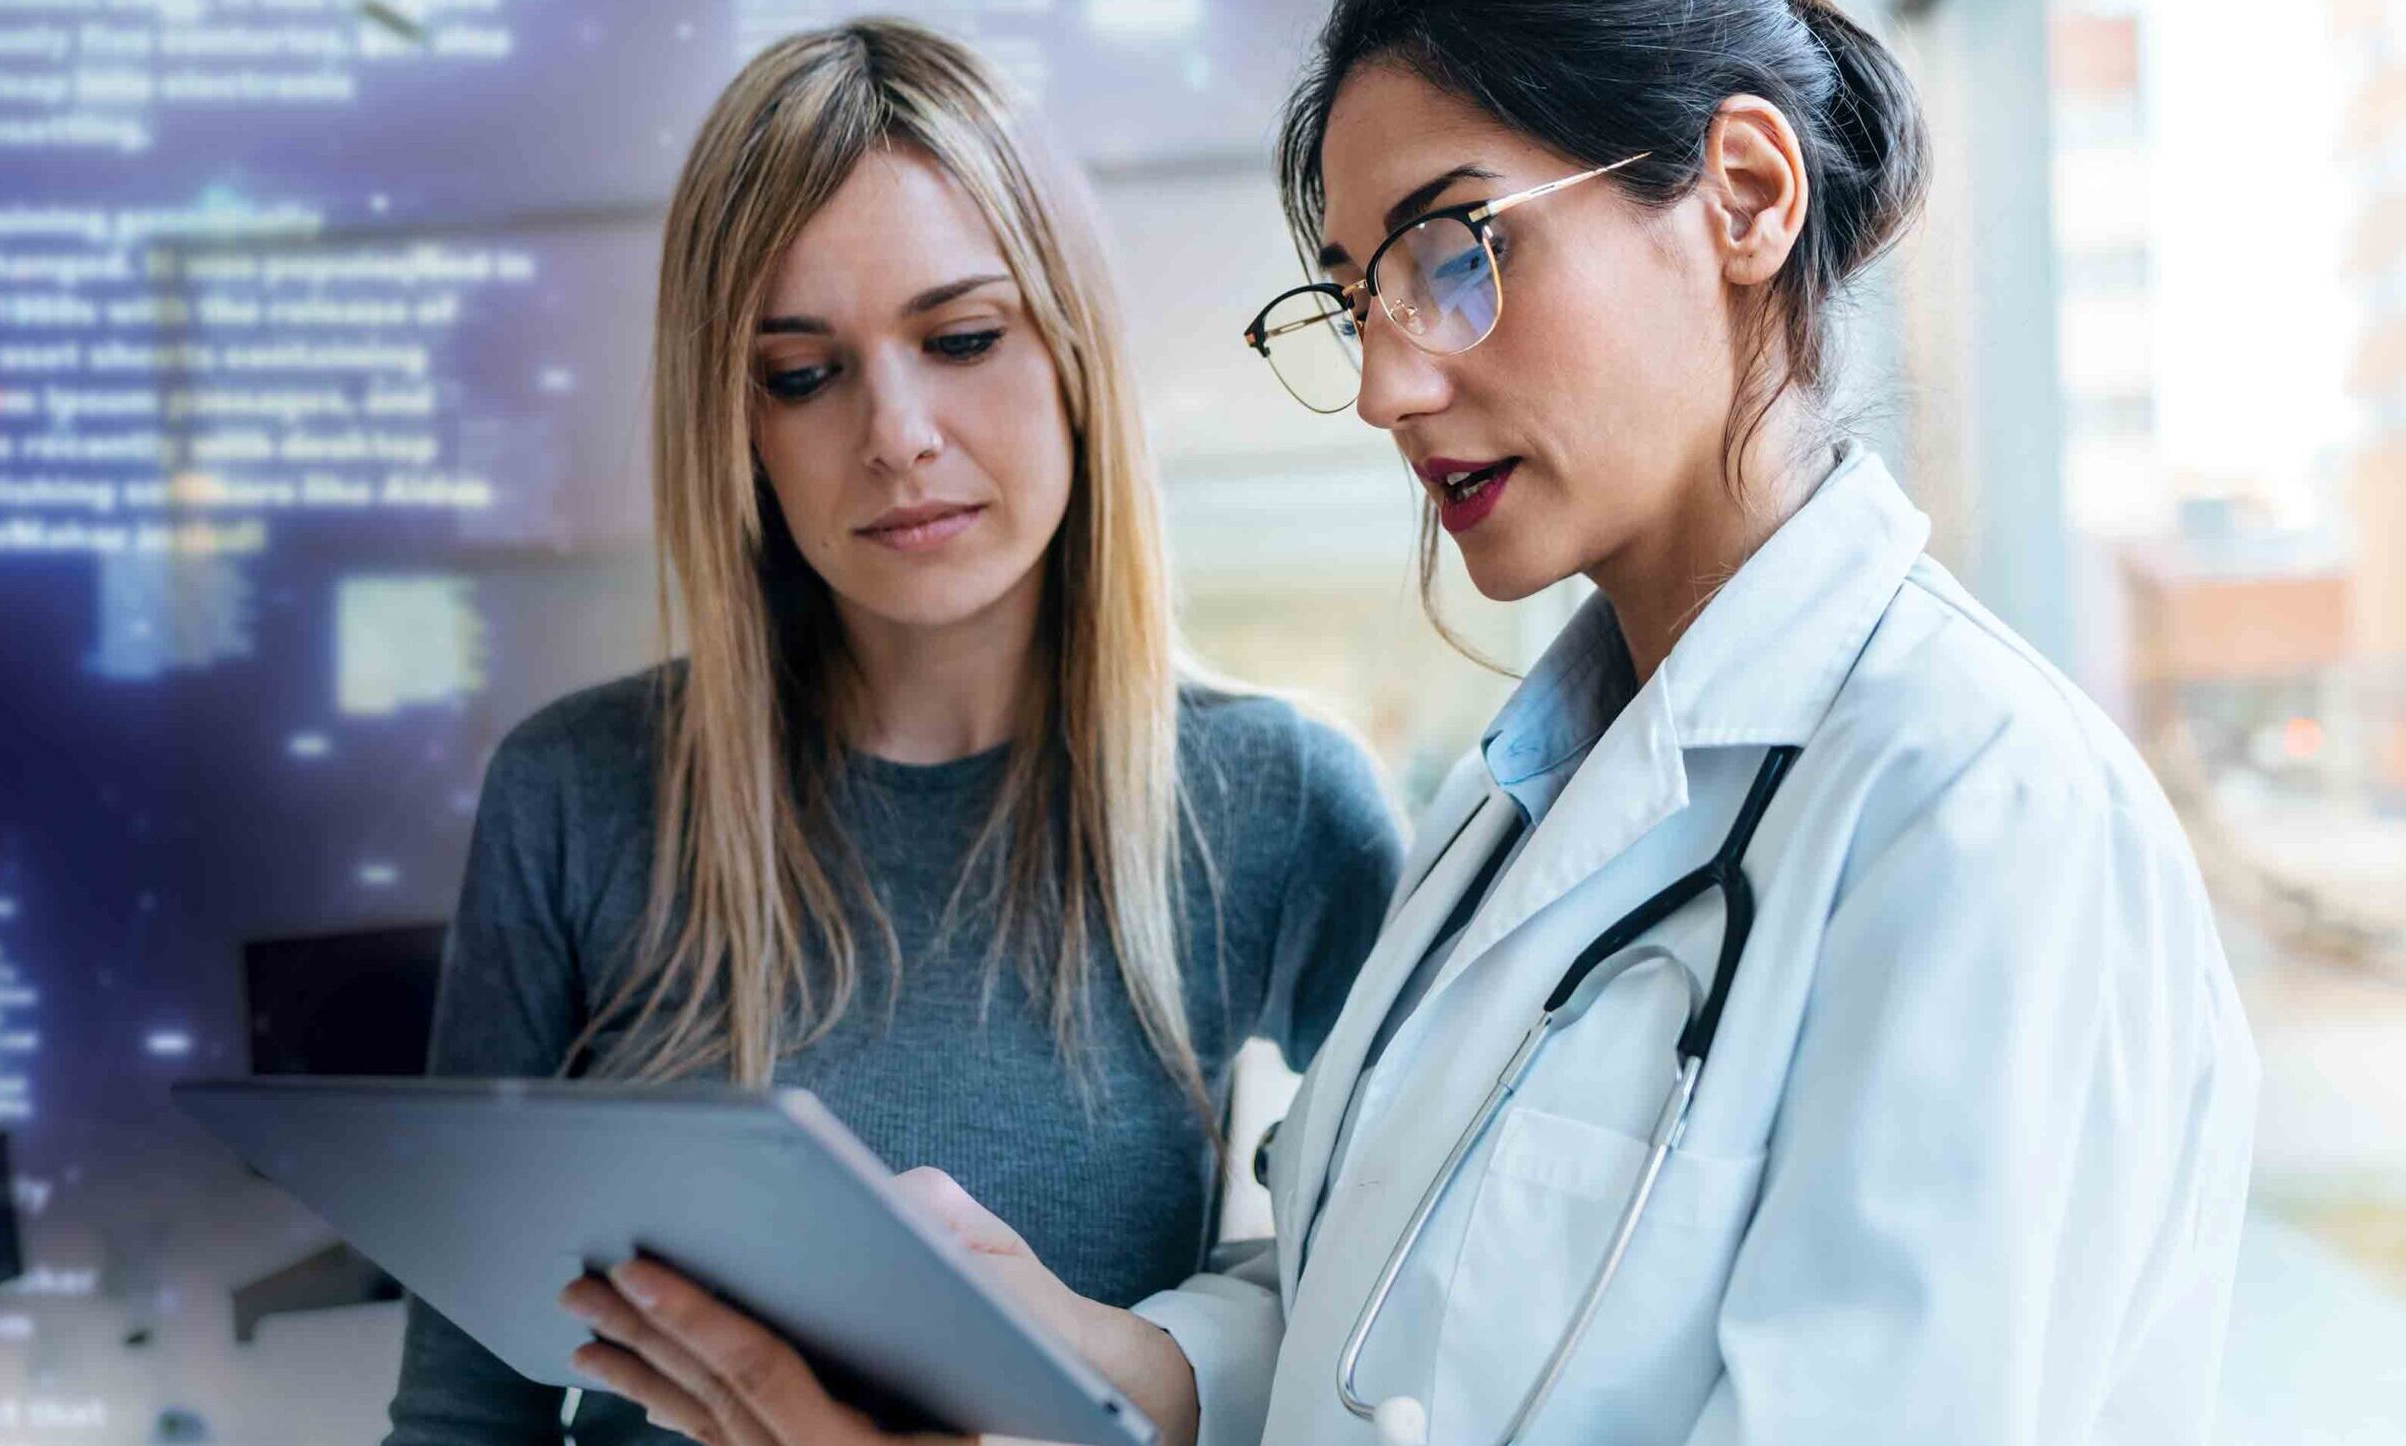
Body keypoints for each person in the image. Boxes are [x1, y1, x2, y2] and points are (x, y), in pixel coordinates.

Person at [556, 2, 2261, 1442]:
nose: (1386, 382)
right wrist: (1104, 1357)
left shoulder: (1978, 818)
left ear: (1744, 194)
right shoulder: (1514, 803)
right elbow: (1359, 1314)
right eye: (1359, 292)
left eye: (1459, 254)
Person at [380, 19, 1404, 1445]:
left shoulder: (1273, 802)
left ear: (1071, 351)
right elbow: (460, 1414)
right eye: (803, 373)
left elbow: (1412, 1314)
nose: (898, 432)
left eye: (963, 337)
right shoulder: (576, 795)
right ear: (734, 423)